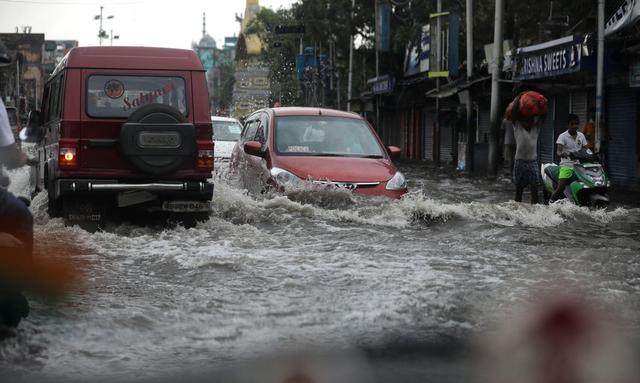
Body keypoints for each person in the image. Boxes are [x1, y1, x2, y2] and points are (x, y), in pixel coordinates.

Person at [505, 91, 547, 204]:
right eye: (526, 120)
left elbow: (543, 116)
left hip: (532, 162)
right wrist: (520, 97)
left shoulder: (536, 128)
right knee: (518, 192)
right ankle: (518, 214)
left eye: (530, 120)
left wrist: (542, 102)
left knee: (535, 191)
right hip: (519, 162)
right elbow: (513, 113)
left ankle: (534, 215)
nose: (528, 122)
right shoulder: (517, 125)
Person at [549, 114, 588, 202]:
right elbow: (558, 152)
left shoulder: (581, 135)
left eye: (576, 124)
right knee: (561, 187)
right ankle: (550, 202)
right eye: (572, 124)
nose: (575, 126)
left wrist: (590, 154)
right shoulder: (562, 136)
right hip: (566, 166)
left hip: (579, 166)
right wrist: (563, 154)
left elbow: (586, 149)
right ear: (568, 125)